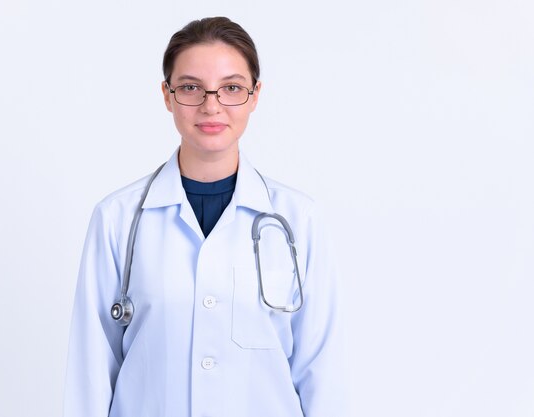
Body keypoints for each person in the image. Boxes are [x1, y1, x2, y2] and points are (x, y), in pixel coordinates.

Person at [64, 16, 347, 417]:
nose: (211, 105)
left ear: (254, 95)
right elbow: (89, 374)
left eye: (231, 88)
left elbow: (322, 370)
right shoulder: (118, 219)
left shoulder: (298, 220)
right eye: (191, 88)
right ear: (167, 95)